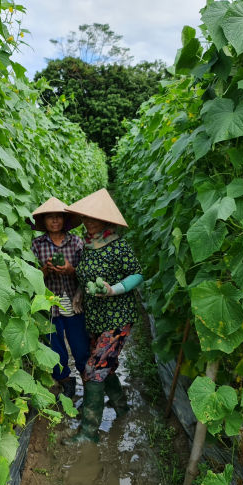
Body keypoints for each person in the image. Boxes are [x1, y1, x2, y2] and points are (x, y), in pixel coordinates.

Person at [62, 189, 144, 444]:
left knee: (94, 368)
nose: (90, 220)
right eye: (87, 216)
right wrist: (78, 293)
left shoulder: (117, 245)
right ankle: (122, 409)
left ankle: (89, 431)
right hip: (95, 317)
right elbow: (85, 276)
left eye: (95, 216)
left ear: (106, 219)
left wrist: (113, 289)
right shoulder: (87, 245)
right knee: (104, 367)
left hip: (117, 318)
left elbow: (137, 274)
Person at [30, 197, 90, 400]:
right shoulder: (37, 245)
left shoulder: (76, 243)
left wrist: (70, 270)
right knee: (54, 348)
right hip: (49, 305)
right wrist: (46, 269)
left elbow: (85, 273)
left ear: (65, 220)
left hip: (73, 301)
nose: (55, 221)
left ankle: (89, 385)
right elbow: (31, 277)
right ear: (44, 221)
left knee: (80, 345)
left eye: (58, 217)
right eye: (50, 217)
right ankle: (66, 381)